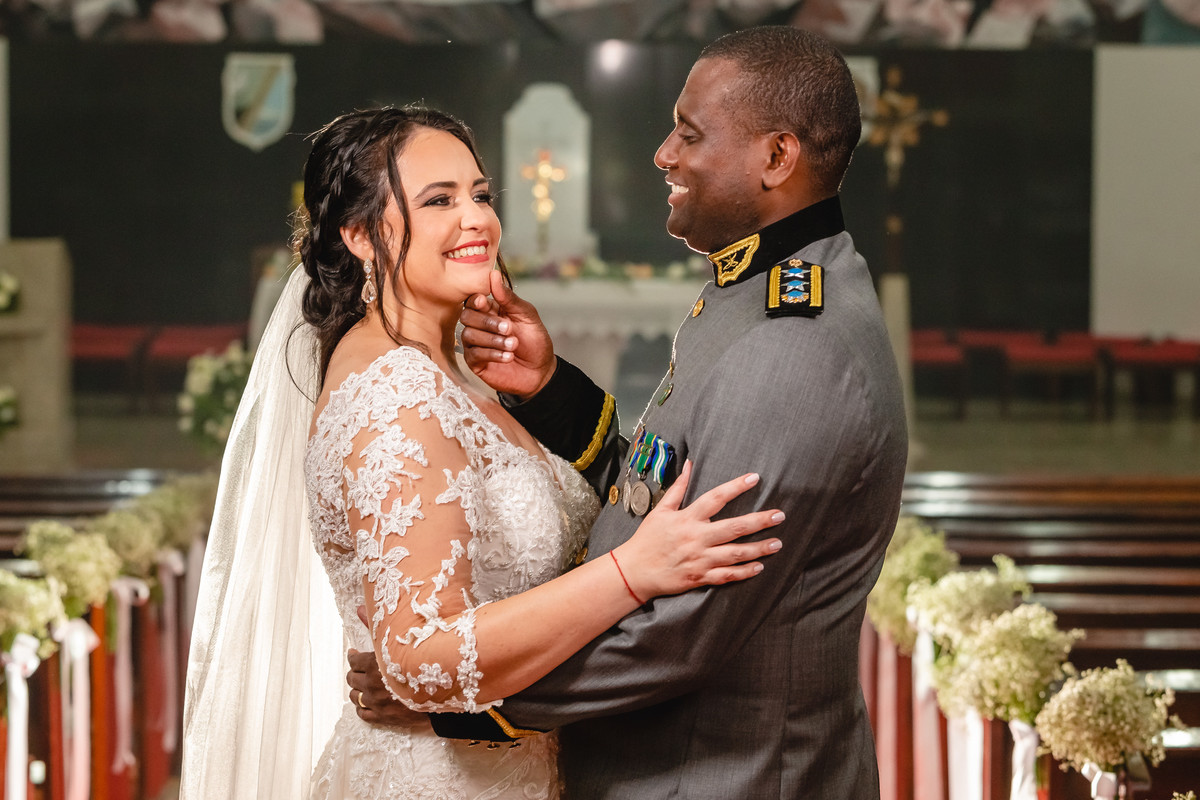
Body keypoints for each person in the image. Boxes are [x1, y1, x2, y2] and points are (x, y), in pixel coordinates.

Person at [348, 26, 908, 800]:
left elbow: (683, 630)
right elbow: (661, 497)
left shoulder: (793, 345)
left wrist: (460, 697)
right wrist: (549, 389)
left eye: (690, 134)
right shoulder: (754, 290)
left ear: (777, 157)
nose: (663, 154)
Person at [180, 105, 784, 800]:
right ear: (360, 235)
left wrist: (546, 387)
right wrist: (632, 572)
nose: (477, 220)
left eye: (480, 194)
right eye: (439, 201)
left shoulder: (447, 377)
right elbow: (418, 661)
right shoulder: (397, 393)